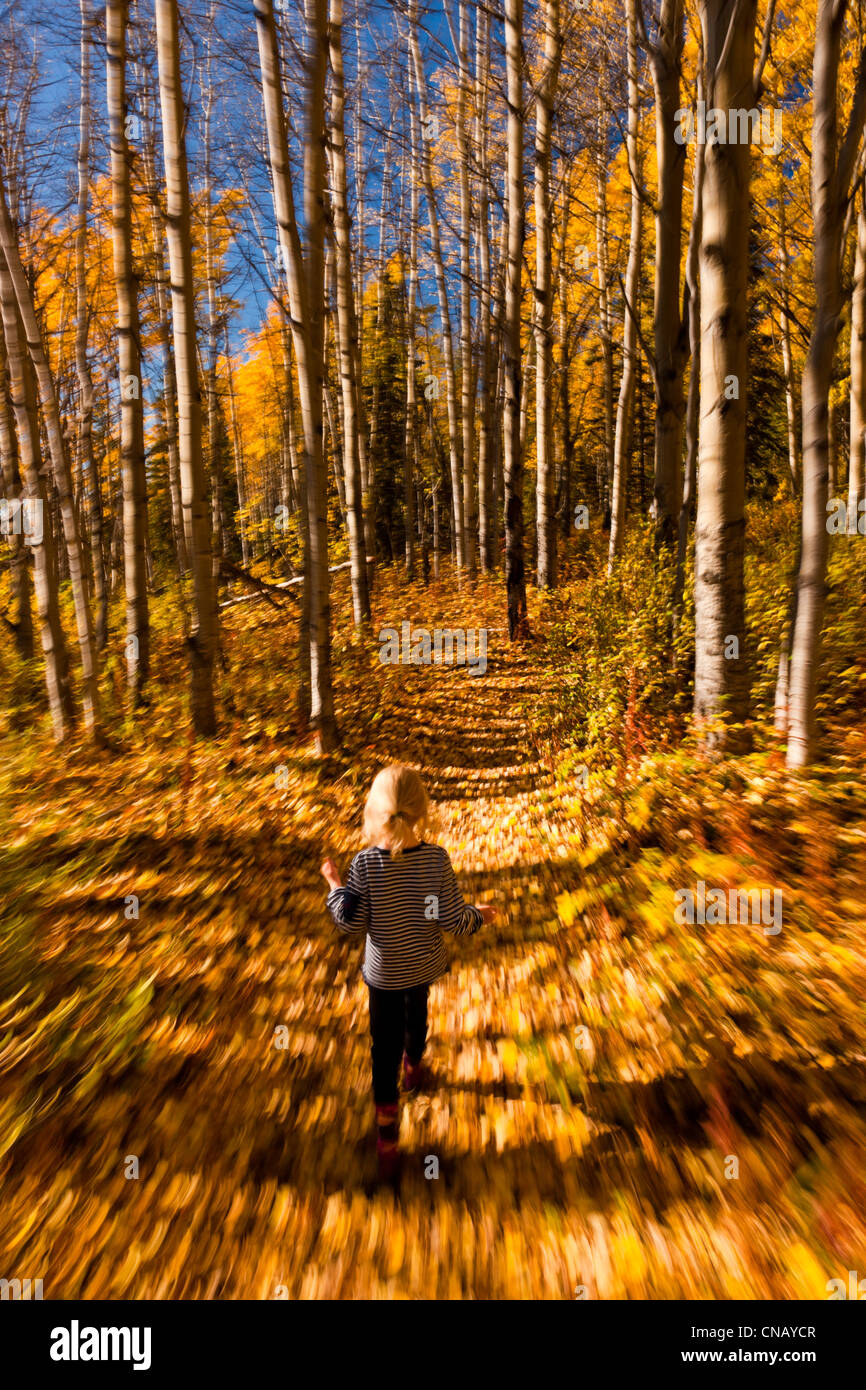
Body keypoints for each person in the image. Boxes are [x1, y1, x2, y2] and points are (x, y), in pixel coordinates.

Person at [321, 763, 495, 1179]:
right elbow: (452, 920)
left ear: (374, 811)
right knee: (417, 1019)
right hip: (421, 967)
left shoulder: (364, 865)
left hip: (383, 975)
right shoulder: (436, 860)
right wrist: (479, 916)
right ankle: (414, 1067)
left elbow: (349, 921)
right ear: (422, 811)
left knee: (382, 1048)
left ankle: (387, 1139)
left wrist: (333, 885)